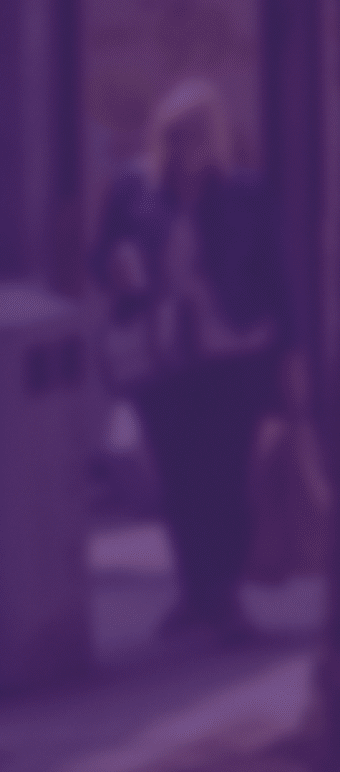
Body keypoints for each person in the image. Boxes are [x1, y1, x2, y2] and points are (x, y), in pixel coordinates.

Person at [93, 80, 288, 644]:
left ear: (216, 136)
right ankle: (194, 593)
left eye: (199, 134)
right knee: (179, 482)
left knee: (226, 479)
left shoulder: (245, 192)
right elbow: (98, 256)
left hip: (233, 354)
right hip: (163, 358)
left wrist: (291, 353)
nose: (189, 146)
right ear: (163, 136)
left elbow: (277, 275)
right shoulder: (134, 189)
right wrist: (116, 267)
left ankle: (224, 595)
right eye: (178, 135)